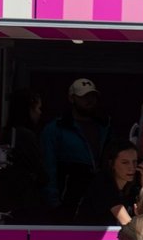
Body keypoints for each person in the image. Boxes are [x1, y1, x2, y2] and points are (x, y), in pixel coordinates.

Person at [39, 77, 111, 223]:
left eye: (92, 96)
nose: (89, 101)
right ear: (72, 98)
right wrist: (53, 200)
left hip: (97, 192)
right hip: (68, 194)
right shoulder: (56, 128)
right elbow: (48, 165)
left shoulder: (103, 127)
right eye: (84, 97)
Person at [0, 88, 47, 223]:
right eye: (38, 108)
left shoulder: (6, 133)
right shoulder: (26, 136)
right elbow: (41, 173)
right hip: (25, 202)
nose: (40, 112)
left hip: (8, 200)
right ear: (28, 109)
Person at [75, 139, 143, 226]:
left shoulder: (132, 188)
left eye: (134, 162)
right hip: (87, 237)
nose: (132, 167)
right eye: (125, 162)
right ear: (112, 164)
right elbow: (127, 223)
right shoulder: (103, 184)